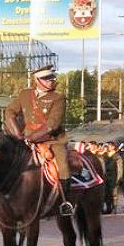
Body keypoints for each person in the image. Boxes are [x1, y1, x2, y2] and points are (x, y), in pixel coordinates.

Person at [4, 65, 74, 216]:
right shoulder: (25, 94)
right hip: (25, 138)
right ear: (37, 80)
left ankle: (64, 202)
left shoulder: (58, 98)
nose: (51, 81)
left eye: (52, 78)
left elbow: (53, 124)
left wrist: (32, 138)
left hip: (52, 140)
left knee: (62, 164)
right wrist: (17, 134)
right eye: (47, 79)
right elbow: (10, 112)